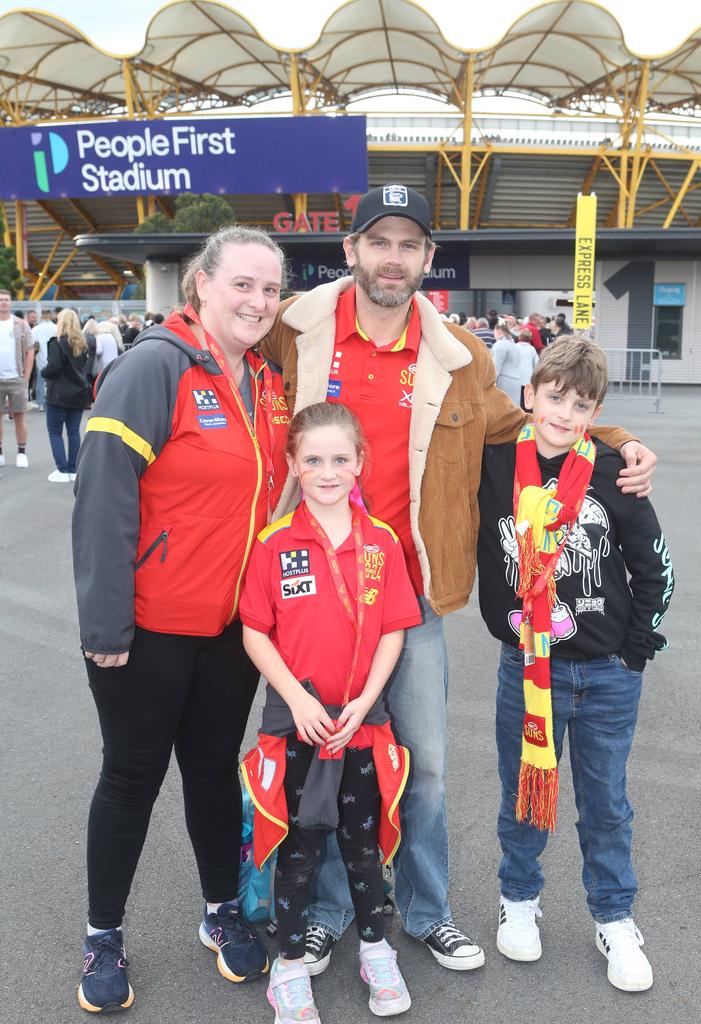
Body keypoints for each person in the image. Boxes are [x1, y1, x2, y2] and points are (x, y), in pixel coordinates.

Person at [260, 183, 658, 974]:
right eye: (379, 242)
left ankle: (427, 911)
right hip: (311, 591)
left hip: (411, 600)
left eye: (410, 245)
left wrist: (616, 438)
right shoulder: (294, 331)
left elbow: (528, 425)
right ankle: (329, 913)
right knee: (323, 759)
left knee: (427, 769)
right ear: (351, 251)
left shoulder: (460, 357)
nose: (393, 258)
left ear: (428, 261)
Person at [70, 225, 291, 1014]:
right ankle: (103, 935)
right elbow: (102, 496)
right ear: (202, 284)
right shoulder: (155, 365)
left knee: (209, 772)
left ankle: (220, 909)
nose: (258, 301)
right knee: (131, 777)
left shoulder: (265, 384)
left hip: (231, 633)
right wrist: (105, 626)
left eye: (270, 289)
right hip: (147, 629)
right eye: (243, 284)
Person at [477, 336, 674, 993]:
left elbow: (653, 567)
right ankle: (520, 897)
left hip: (608, 672)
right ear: (528, 395)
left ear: (594, 412)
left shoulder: (614, 468)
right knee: (523, 793)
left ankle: (615, 915)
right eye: (554, 397)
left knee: (607, 801)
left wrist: (635, 649)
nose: (564, 413)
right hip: (526, 667)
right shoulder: (494, 462)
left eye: (581, 404)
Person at [240, 402, 422, 1022]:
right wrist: (297, 698)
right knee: (298, 850)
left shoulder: (383, 542)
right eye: (312, 460)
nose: (326, 471)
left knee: (364, 847)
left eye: (339, 459)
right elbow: (255, 632)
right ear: (293, 464)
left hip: (360, 728)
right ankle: (289, 966)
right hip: (298, 726)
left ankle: (377, 951)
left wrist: (367, 704)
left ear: (360, 464)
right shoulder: (273, 542)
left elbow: (395, 629)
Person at [42, 309, 95, 483]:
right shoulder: (83, 344)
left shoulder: (56, 343)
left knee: (55, 432)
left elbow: (53, 368)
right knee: (73, 431)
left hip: (58, 394)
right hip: (78, 393)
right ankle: (73, 468)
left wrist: (43, 372)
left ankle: (62, 469)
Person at [0, 288, 34, 468]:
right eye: (0, 300)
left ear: (11, 302)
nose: (3, 303)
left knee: (20, 416)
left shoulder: (21, 324)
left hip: (16, 377)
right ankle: (0, 453)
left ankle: (22, 452)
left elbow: (30, 350)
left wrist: (26, 377)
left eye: (6, 299)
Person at [31, 308, 57, 410]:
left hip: (40, 358)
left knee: (40, 381)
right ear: (51, 316)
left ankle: (41, 403)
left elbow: (32, 343)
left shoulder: (36, 329)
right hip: (54, 358)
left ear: (41, 316)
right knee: (54, 381)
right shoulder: (56, 327)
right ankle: (52, 401)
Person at [491, 318, 522, 401]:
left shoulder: (500, 345)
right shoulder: (512, 343)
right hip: (515, 380)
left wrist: (490, 383)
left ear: (498, 331)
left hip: (504, 382)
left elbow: (495, 367)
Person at [516, 328, 539, 410]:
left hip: (516, 377)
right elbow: (537, 364)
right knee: (526, 399)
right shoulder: (532, 349)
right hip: (528, 378)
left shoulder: (514, 347)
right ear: (530, 338)